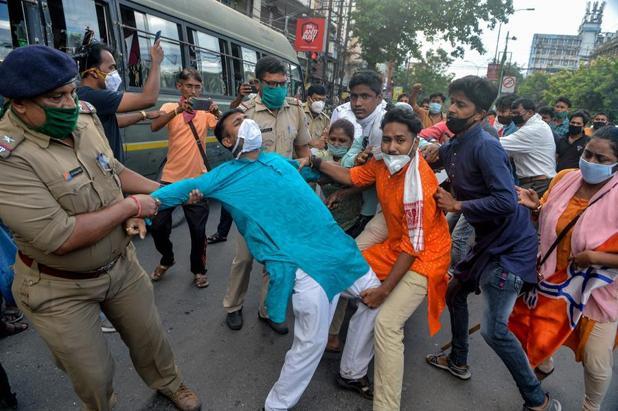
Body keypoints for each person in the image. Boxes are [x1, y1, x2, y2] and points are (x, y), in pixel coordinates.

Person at [0, 45, 201, 411]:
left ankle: (170, 384)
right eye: (56, 97)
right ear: (20, 104)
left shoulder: (84, 116)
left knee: (150, 339)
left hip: (120, 265)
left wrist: (167, 192)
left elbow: (115, 171)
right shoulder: (8, 158)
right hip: (58, 286)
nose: (69, 103)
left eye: (72, 91)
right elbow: (58, 236)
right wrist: (131, 206)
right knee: (92, 374)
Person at [151, 109, 382, 410]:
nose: (247, 122)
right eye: (237, 122)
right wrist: (139, 204)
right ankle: (276, 405)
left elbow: (313, 171)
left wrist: (330, 165)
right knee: (310, 344)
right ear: (228, 140)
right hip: (301, 264)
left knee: (375, 299)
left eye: (245, 117)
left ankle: (351, 371)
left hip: (336, 248)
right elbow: (173, 192)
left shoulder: (275, 161)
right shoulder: (223, 176)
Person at [421, 76, 560, 411]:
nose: (451, 109)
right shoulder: (457, 143)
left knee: (495, 330)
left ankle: (537, 400)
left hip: (511, 246)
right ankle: (458, 361)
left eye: (461, 105)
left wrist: (457, 205)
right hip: (487, 242)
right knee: (455, 292)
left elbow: (505, 200)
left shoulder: (486, 145)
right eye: (451, 101)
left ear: (480, 113)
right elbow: (433, 158)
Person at [315, 107, 451, 410]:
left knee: (387, 322)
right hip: (396, 242)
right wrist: (316, 162)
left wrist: (385, 290)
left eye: (400, 140)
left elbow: (413, 248)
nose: (392, 147)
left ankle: (386, 406)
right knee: (363, 293)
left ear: (415, 142)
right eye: (387, 139)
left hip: (426, 256)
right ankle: (350, 372)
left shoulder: (419, 185)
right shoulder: (381, 162)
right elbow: (351, 176)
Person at [512, 126, 618, 411]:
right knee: (541, 335)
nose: (590, 163)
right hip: (552, 283)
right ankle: (544, 365)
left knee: (596, 360)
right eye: (588, 154)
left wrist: (596, 257)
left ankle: (590, 406)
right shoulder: (564, 179)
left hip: (598, 291)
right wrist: (536, 209)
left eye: (601, 159)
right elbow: (550, 222)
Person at [224, 55, 311, 333]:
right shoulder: (246, 113)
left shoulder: (296, 109)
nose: (278, 89)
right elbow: (234, 154)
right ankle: (233, 306)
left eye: (282, 83)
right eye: (271, 84)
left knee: (276, 258)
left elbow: (303, 151)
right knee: (245, 257)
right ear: (259, 83)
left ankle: (268, 309)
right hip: (252, 199)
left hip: (284, 199)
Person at [148, 68, 220, 288]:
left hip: (198, 181)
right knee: (158, 226)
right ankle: (167, 258)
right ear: (179, 86)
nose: (193, 91)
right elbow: (154, 126)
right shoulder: (169, 107)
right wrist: (178, 110)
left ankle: (199, 270)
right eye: (189, 86)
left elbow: (222, 131)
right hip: (170, 180)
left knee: (198, 232)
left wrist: (217, 113)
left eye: (198, 87)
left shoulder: (204, 111)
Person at [313, 119, 363, 352]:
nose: (336, 144)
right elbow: (312, 174)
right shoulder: (320, 157)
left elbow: (362, 182)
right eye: (333, 139)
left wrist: (343, 192)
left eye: (342, 141)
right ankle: (318, 325)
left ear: (351, 143)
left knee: (341, 282)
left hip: (350, 226)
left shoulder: (354, 161)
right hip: (325, 227)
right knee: (321, 280)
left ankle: (333, 334)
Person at [76, 42, 164, 163]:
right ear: (93, 73)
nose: (115, 73)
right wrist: (156, 62)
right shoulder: (95, 96)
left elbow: (112, 121)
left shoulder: (84, 94)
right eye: (111, 68)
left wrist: (144, 115)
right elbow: (149, 98)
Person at [330, 70, 387, 239]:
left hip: (381, 209)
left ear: (379, 98)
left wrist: (343, 193)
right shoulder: (367, 125)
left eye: (365, 96)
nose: (357, 103)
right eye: (354, 96)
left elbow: (371, 177)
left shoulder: (380, 127)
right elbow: (349, 158)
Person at [500, 98, 557, 196]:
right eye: (512, 113)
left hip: (537, 184)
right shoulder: (534, 126)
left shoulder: (533, 129)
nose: (514, 116)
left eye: (517, 113)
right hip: (533, 182)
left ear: (530, 112)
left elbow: (497, 144)